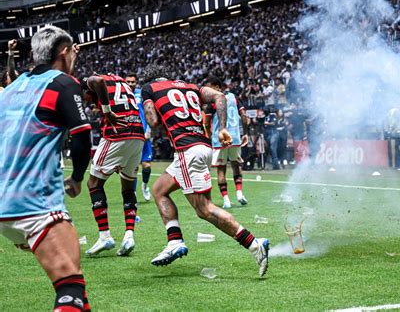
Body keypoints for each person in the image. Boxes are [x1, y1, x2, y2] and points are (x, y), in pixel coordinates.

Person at [141, 63, 269, 277]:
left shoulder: (149, 89)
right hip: (202, 146)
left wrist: (156, 113)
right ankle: (174, 240)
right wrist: (224, 127)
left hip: (186, 150)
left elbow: (153, 121)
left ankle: (255, 244)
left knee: (204, 209)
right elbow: (220, 96)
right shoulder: (191, 86)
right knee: (159, 189)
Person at [0, 26, 91, 311]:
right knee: (70, 290)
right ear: (63, 52)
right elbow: (82, 136)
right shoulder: (63, 83)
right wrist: (76, 178)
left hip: (4, 202)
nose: (76, 54)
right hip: (34, 203)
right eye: (74, 49)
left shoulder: (11, 88)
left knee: (75, 286)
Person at [81, 73, 145, 257]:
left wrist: (107, 110)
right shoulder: (121, 82)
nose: (86, 101)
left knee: (93, 183)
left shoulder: (94, 80)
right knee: (127, 188)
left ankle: (104, 236)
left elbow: (97, 81)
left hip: (117, 134)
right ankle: (129, 236)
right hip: (137, 135)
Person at [203, 77, 249, 209]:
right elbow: (244, 117)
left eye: (210, 88)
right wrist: (245, 133)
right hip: (234, 136)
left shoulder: (213, 101)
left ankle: (226, 200)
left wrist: (210, 135)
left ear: (217, 87)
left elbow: (206, 122)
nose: (208, 91)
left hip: (220, 139)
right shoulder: (234, 97)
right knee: (236, 165)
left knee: (221, 169)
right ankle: (240, 194)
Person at [126, 73, 152, 201]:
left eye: (132, 82)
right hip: (131, 134)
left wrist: (149, 128)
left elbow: (149, 111)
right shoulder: (122, 94)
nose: (130, 84)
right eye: (128, 82)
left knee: (146, 165)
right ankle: (134, 193)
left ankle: (145, 186)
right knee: (134, 166)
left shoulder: (142, 93)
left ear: (136, 82)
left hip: (144, 133)